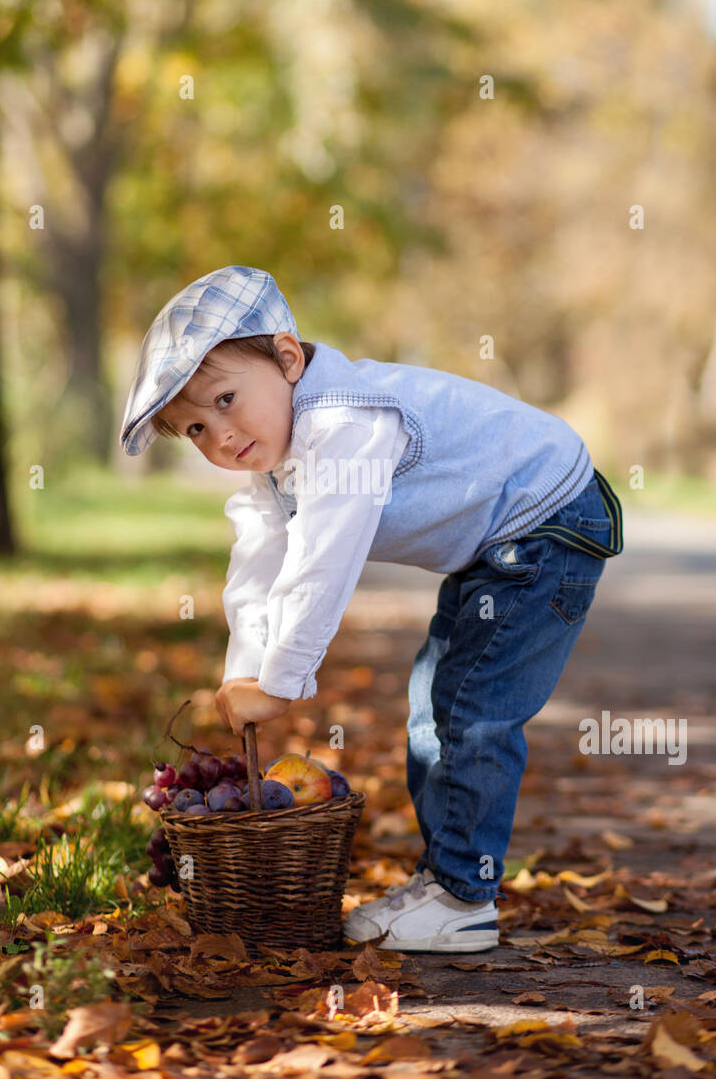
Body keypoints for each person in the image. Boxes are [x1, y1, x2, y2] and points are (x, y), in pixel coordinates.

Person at [119, 265, 624, 952]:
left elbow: (321, 560)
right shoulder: (275, 459)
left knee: (474, 712)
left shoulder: (342, 423)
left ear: (288, 358)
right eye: (197, 430)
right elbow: (258, 564)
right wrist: (245, 669)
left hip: (546, 520)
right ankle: (443, 879)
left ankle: (465, 900)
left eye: (228, 400)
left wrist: (282, 679)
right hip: (497, 545)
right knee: (430, 708)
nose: (221, 437)